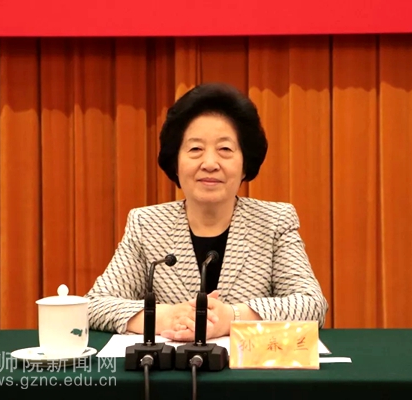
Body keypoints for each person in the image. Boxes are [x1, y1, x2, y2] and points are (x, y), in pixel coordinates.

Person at [85, 82, 328, 341]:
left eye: (225, 149)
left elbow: (312, 305)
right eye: (195, 149)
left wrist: (232, 317)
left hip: (245, 366)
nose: (210, 163)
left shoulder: (273, 222)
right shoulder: (148, 224)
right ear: (175, 163)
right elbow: (94, 305)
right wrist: (166, 316)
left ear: (245, 164)